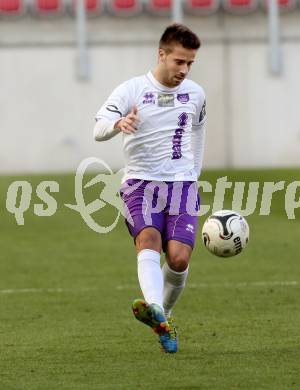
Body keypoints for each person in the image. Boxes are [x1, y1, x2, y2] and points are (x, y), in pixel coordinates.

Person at [94, 23, 206, 353]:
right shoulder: (131, 90)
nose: (184, 70)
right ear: (162, 54)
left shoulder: (196, 94)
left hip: (182, 183)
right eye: (179, 62)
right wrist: (118, 124)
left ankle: (162, 316)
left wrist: (194, 174)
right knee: (148, 240)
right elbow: (98, 128)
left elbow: (199, 132)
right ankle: (156, 307)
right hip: (140, 183)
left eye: (190, 64)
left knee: (179, 258)